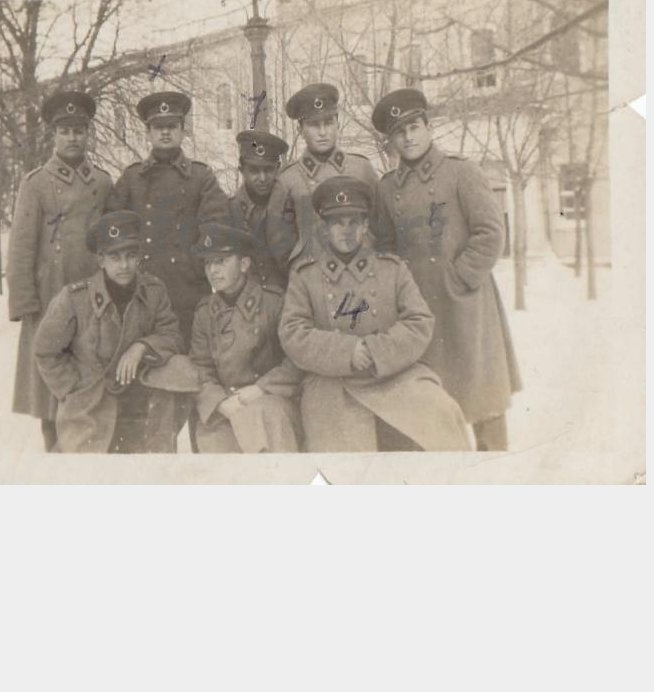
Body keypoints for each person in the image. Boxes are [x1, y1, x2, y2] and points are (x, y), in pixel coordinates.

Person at [371, 88, 521, 451]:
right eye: (399, 132)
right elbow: (385, 245)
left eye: (414, 127)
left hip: (466, 305)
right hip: (418, 309)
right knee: (431, 405)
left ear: (428, 127)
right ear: (391, 140)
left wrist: (460, 277)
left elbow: (491, 232)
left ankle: (495, 470)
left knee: (483, 399)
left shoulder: (461, 172)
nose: (408, 138)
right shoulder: (388, 188)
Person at [278, 176, 471, 453]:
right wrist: (347, 352)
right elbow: (293, 332)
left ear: (365, 226)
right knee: (337, 445)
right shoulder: (305, 276)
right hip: (332, 381)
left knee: (441, 411)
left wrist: (375, 350)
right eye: (338, 223)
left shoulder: (392, 269)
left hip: (393, 376)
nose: (346, 231)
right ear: (325, 228)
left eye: (354, 222)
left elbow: (419, 321)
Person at [6, 90, 112, 451]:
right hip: (49, 296)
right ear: (53, 135)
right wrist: (25, 303)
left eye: (79, 131)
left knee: (89, 380)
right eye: (64, 131)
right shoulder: (35, 183)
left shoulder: (102, 182)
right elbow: (21, 245)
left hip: (92, 299)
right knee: (48, 391)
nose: (72, 138)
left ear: (88, 134)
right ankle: (54, 456)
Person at [33, 211, 184, 453]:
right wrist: (73, 388)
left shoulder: (154, 291)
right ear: (101, 260)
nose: (124, 265)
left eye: (131, 256)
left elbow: (172, 335)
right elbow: (45, 350)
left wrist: (142, 347)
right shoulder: (74, 298)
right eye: (115, 257)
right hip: (89, 408)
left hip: (138, 404)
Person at [105, 91, 229, 345]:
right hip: (141, 287)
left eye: (171, 126)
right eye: (158, 127)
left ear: (183, 130)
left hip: (188, 288)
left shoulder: (201, 176)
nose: (165, 133)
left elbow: (215, 227)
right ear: (148, 133)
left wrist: (195, 265)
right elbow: (112, 229)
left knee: (189, 353)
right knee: (142, 351)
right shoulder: (132, 178)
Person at [188, 222, 302, 453]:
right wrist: (219, 402)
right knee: (215, 450)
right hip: (225, 407)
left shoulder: (273, 302)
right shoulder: (204, 312)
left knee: (268, 435)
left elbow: (296, 358)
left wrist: (261, 388)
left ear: (244, 264)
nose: (213, 270)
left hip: (269, 400)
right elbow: (200, 367)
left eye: (221, 261)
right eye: (208, 263)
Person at [266, 82, 379, 272]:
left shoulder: (361, 169)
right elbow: (279, 243)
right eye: (314, 125)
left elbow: (380, 226)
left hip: (362, 274)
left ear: (338, 124)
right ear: (300, 130)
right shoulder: (288, 180)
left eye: (328, 123)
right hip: (312, 278)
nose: (322, 132)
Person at [229, 129, 290, 289]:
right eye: (254, 171)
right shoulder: (230, 210)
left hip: (288, 295)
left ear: (277, 168)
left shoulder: (291, 206)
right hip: (246, 298)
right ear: (242, 170)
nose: (262, 178)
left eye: (268, 170)